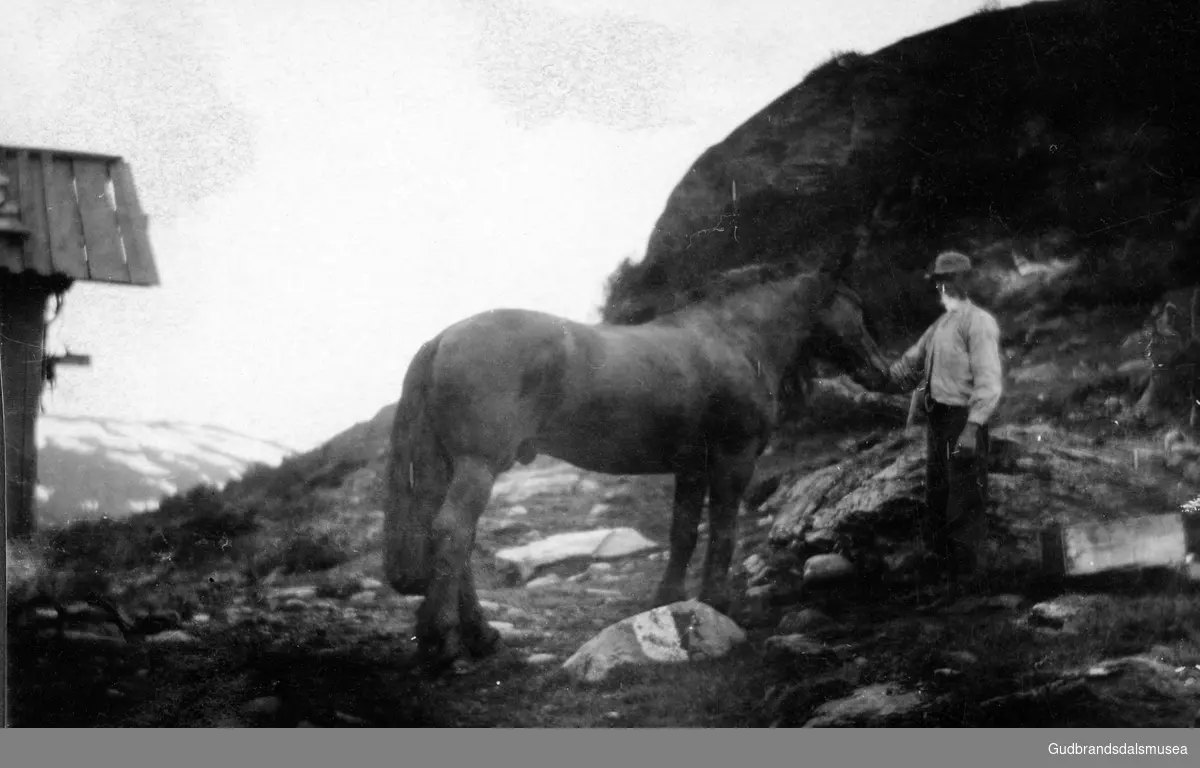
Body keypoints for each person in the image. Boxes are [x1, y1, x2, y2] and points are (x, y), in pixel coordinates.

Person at [883, 251, 1004, 600]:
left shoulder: (977, 322)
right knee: (937, 495)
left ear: (966, 281)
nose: (943, 285)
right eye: (939, 279)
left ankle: (969, 585)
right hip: (938, 422)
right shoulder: (940, 326)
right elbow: (909, 365)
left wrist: (972, 427)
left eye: (950, 278)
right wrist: (874, 375)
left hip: (963, 420)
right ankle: (942, 577)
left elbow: (989, 382)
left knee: (964, 498)